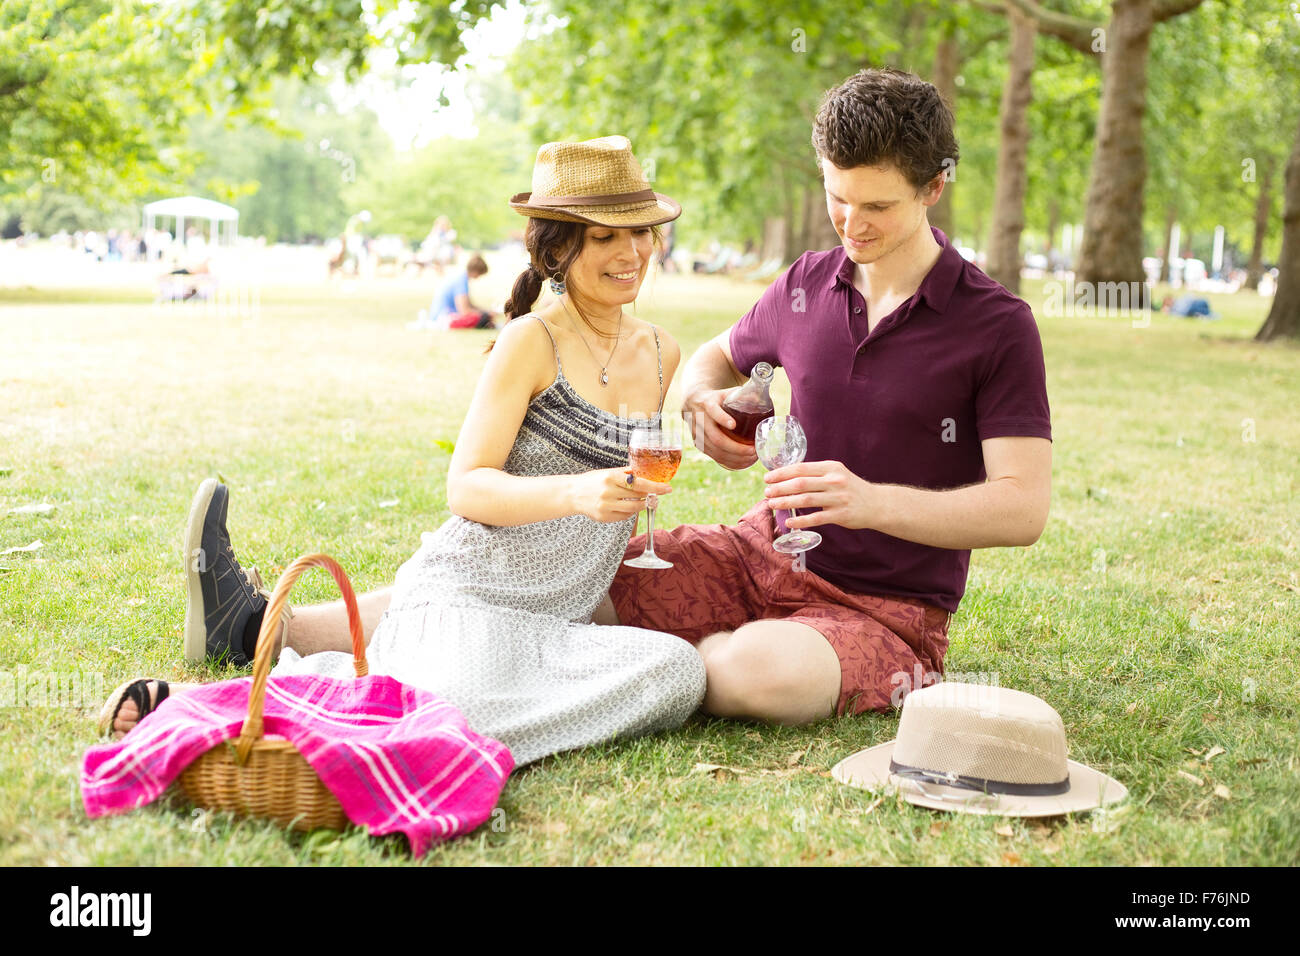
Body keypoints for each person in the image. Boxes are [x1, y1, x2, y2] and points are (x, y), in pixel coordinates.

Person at [99, 136, 707, 767]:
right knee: (461, 697)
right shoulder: (531, 342)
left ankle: (416, 717)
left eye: (641, 231)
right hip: (469, 598)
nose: (632, 252)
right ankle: (234, 708)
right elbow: (466, 486)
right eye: (606, 237)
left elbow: (634, 480)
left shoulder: (662, 351)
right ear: (560, 247)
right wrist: (576, 494)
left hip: (558, 622)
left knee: (678, 672)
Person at [597, 68, 1053, 725]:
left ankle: (659, 660)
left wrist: (870, 502)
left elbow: (1022, 507)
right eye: (838, 196)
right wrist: (701, 400)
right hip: (754, 554)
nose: (852, 223)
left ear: (934, 186)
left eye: (878, 206)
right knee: (580, 586)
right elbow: (717, 357)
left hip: (884, 609)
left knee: (748, 676)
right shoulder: (806, 281)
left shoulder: (997, 325)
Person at [412, 254, 497, 330]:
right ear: (476, 271)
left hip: (441, 316)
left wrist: (485, 311)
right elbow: (465, 311)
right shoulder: (461, 281)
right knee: (484, 319)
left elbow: (469, 305)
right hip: (443, 318)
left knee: (484, 317)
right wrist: (485, 314)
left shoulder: (460, 277)